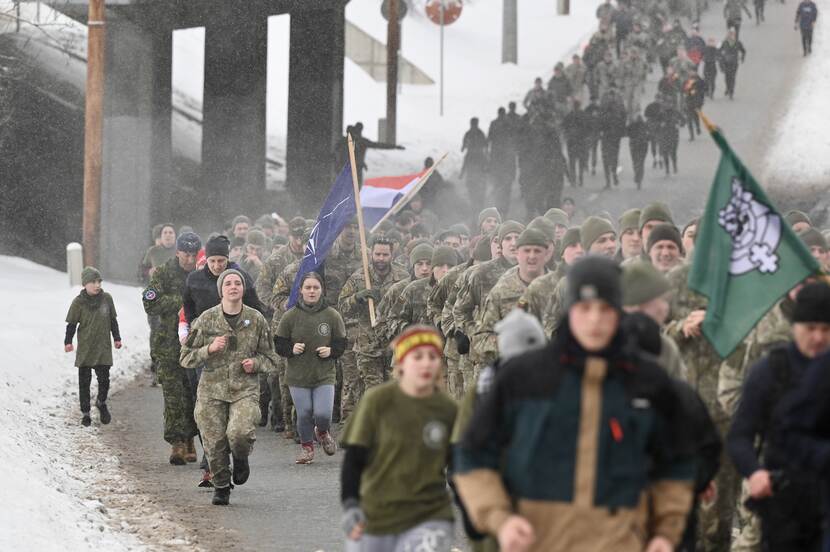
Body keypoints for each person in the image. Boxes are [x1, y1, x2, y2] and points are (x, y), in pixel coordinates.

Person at [454, 256, 695, 552]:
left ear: (619, 312)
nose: (595, 320)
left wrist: (665, 531)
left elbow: (677, 461)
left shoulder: (649, 382)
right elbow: (472, 453)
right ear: (569, 311)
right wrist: (499, 518)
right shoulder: (523, 378)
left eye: (605, 308)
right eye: (584, 308)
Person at [727, 282, 830, 550]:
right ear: (795, 327)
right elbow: (740, 435)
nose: (818, 338)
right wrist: (754, 472)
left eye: (826, 329)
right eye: (810, 329)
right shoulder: (770, 371)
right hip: (785, 494)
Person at [340, 326, 458, 552]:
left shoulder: (447, 409)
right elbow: (354, 460)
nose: (426, 363)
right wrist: (351, 504)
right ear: (401, 363)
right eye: (418, 357)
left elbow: (460, 467)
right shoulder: (376, 402)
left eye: (432, 357)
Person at [179, 269, 279, 506]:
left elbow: (272, 359)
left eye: (237, 283)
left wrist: (255, 363)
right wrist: (209, 349)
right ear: (221, 290)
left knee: (240, 433)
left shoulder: (256, 320)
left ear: (243, 289)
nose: (233, 287)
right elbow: (185, 357)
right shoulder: (206, 319)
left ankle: (241, 457)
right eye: (228, 284)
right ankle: (222, 485)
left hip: (244, 389)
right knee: (213, 442)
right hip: (211, 390)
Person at [142, 232, 202, 465]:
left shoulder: (200, 276)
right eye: (185, 254)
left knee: (192, 395)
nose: (189, 259)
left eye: (192, 255)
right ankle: (176, 442)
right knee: (173, 396)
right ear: (177, 252)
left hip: (195, 345)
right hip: (167, 344)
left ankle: (190, 439)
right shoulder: (164, 273)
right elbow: (150, 302)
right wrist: (179, 303)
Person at [275, 272, 347, 464]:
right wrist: (291, 349)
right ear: (300, 291)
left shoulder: (332, 315)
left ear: (321, 290)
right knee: (305, 412)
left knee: (323, 414)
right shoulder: (290, 316)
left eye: (316, 287)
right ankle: (307, 448)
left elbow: (341, 343)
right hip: (298, 375)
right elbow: (279, 343)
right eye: (308, 287)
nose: (312, 291)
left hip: (324, 374)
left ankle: (322, 432)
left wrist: (331, 351)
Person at [65, 267, 121, 427]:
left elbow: (113, 320)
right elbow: (71, 324)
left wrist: (117, 338)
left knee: (104, 380)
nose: (97, 285)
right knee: (84, 382)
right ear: (85, 284)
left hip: (103, 347)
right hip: (86, 347)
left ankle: (101, 402)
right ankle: (85, 413)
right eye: (93, 282)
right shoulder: (78, 302)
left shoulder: (107, 299)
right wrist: (68, 341)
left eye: (99, 281)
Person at [461, 117, 489, 215]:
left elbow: (463, 148)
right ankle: (478, 205)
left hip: (472, 160)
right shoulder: (480, 133)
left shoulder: (468, 133)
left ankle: (475, 205)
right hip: (479, 160)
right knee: (479, 186)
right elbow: (486, 145)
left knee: (473, 186)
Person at [719, 28, 746, 100]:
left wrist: (742, 58)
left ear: (734, 35)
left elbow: (743, 50)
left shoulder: (738, 42)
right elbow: (719, 51)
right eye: (730, 34)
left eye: (733, 34)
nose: (731, 35)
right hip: (726, 62)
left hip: (734, 62)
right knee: (727, 77)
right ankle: (727, 88)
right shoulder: (724, 42)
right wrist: (720, 59)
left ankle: (731, 92)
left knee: (733, 77)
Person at [627, 113, 649, 190]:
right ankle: (639, 177)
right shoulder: (645, 125)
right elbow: (650, 135)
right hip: (643, 145)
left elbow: (626, 133)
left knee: (635, 161)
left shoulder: (632, 125)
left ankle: (637, 174)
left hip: (634, 145)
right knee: (641, 162)